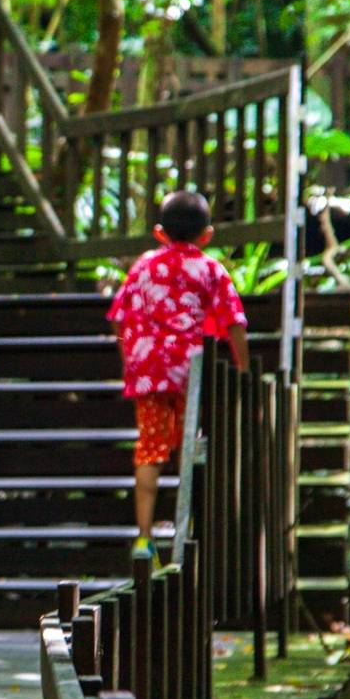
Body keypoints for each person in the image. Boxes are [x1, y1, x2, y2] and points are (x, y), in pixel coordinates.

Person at [106, 188, 251, 561]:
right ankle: (186, 528)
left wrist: (130, 360)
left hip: (147, 371)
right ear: (207, 236)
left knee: (150, 449)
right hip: (190, 371)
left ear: (159, 232)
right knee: (190, 444)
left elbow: (119, 318)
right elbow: (235, 323)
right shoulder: (210, 269)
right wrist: (243, 369)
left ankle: (143, 537)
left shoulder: (143, 266)